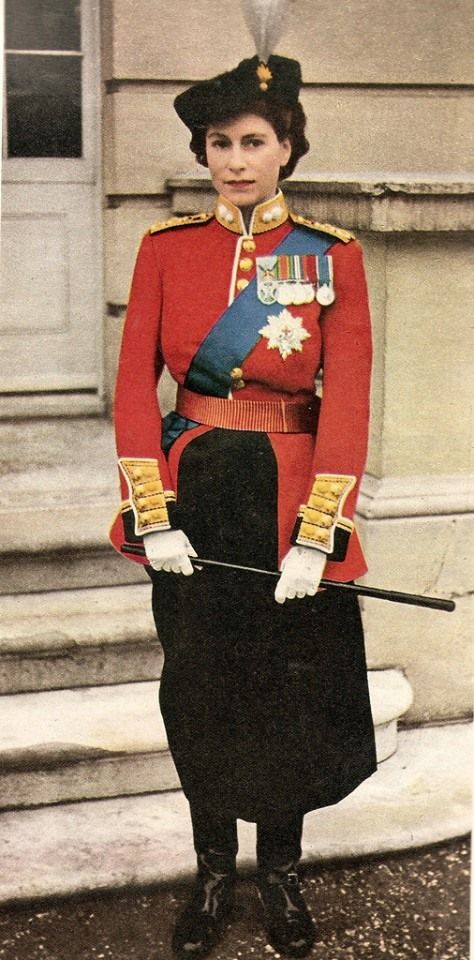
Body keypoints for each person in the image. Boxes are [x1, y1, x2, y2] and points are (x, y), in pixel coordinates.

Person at [110, 53, 377, 960]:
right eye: (219, 142)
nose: (234, 159)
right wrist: (152, 515)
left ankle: (284, 873)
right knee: (203, 687)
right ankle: (213, 869)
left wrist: (317, 539)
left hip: (290, 500)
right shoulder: (164, 249)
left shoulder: (333, 257)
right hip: (198, 498)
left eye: (253, 141)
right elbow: (129, 397)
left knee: (288, 695)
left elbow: (348, 400)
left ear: (288, 148)